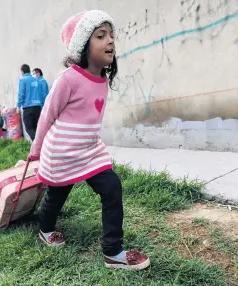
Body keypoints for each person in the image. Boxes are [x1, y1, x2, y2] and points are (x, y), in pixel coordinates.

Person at [28, 10, 150, 270]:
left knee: (112, 187)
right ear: (83, 45)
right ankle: (45, 228)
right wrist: (36, 149)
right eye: (101, 36)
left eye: (111, 36)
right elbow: (47, 115)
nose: (110, 41)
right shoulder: (68, 79)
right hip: (62, 153)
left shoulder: (102, 79)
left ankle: (113, 252)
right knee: (56, 196)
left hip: (89, 151)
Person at [17, 64, 44, 141]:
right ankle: (38, 146)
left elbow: (21, 94)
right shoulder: (37, 80)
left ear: (22, 72)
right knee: (36, 128)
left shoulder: (22, 80)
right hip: (38, 108)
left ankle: (37, 144)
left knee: (29, 128)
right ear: (29, 70)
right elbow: (41, 94)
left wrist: (18, 106)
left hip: (28, 108)